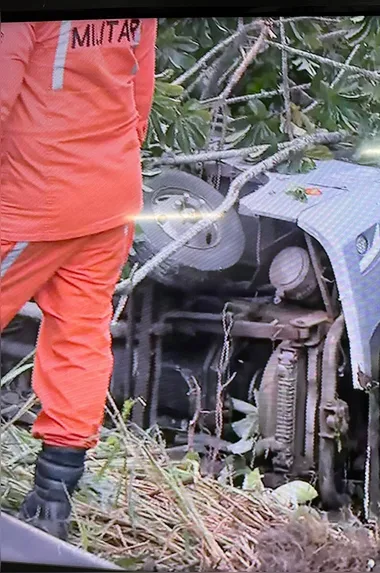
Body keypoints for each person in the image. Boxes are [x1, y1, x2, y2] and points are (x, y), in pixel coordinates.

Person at [0, 17, 157, 540]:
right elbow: (140, 88)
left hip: (30, 201)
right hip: (110, 197)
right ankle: (52, 502)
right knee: (81, 335)